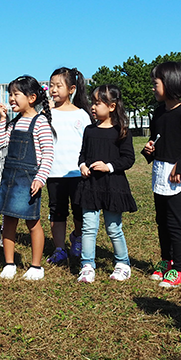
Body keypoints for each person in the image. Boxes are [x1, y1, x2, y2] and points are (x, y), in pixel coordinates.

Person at [142, 61, 181, 288]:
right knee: (161, 221)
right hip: (160, 173)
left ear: (169, 84)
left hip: (177, 178)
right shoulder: (158, 113)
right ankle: (166, 262)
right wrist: (150, 149)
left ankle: (179, 269)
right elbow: (158, 142)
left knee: (174, 223)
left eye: (155, 83)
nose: (153, 88)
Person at [74, 85, 136, 283]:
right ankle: (87, 265)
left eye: (97, 103)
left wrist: (108, 166)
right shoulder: (89, 130)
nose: (93, 107)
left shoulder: (121, 131)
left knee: (113, 227)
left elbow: (128, 159)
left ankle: (122, 263)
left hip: (113, 186)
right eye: (92, 102)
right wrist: (82, 165)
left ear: (111, 106)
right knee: (88, 228)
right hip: (90, 186)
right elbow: (82, 154)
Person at [0, 76, 54, 280]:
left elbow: (48, 153)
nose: (11, 98)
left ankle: (36, 266)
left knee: (32, 222)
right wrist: (2, 119)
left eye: (16, 94)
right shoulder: (14, 122)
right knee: (8, 220)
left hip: (29, 179)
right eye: (10, 94)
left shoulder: (40, 122)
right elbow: (1, 142)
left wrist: (40, 178)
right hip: (10, 176)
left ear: (32, 98)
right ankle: (9, 263)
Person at [45, 67, 92, 265]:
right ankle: (59, 249)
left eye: (59, 86)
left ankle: (78, 239)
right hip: (54, 172)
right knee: (57, 211)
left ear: (71, 89)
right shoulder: (47, 114)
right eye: (51, 85)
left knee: (80, 210)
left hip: (77, 172)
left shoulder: (81, 115)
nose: (53, 90)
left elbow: (89, 143)